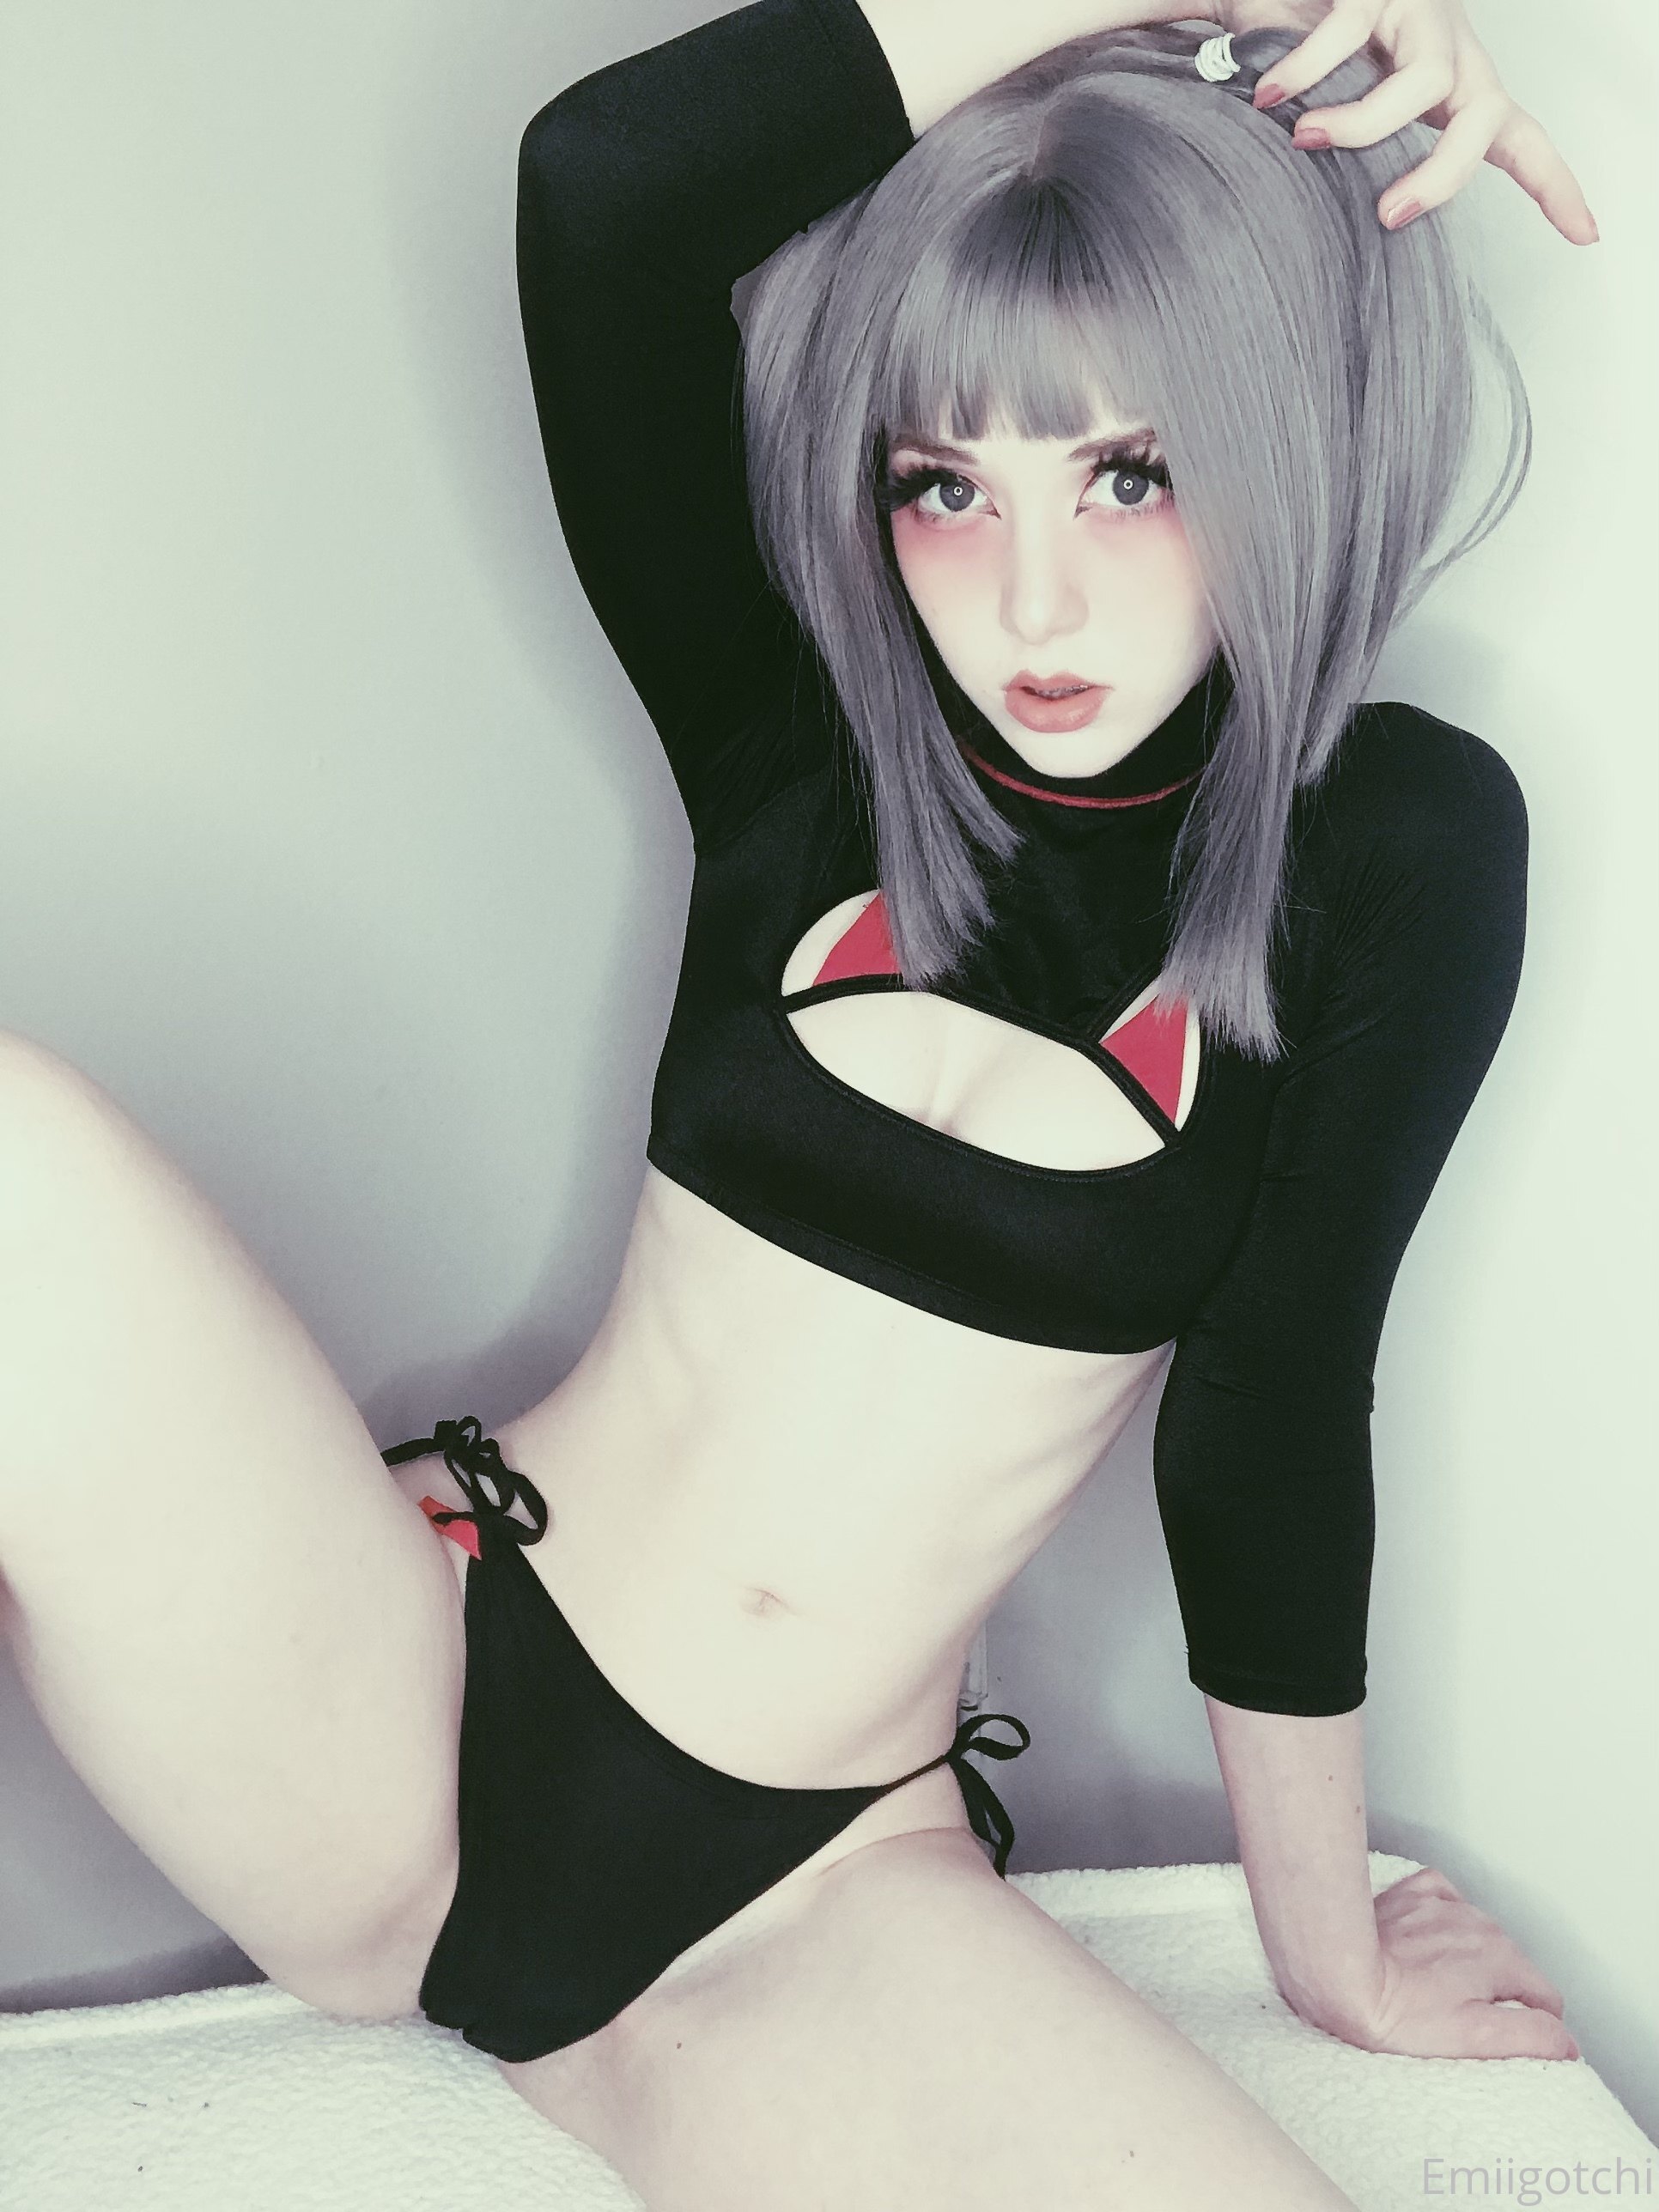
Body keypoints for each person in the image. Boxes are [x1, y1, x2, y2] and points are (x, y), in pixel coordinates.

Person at [0, 1, 1597, 2207]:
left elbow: (1276, 1410)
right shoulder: (801, 720)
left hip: (803, 1888)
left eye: (1132, 474)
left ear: (1287, 442)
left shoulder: (1394, 853)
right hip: (407, 1680)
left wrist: (1326, 1951)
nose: (1029, 598)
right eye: (949, 484)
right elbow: (602, 196)